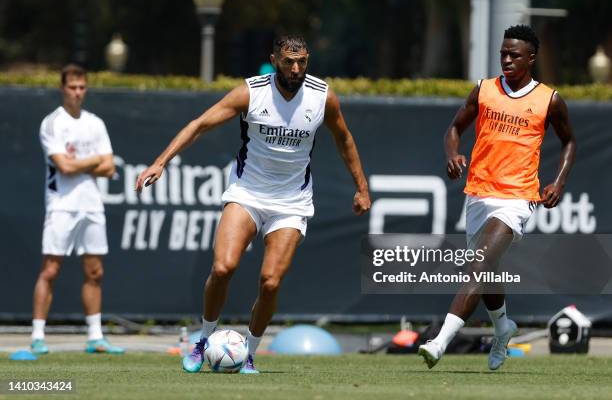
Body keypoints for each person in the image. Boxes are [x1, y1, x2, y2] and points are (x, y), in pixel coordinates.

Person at [136, 35, 371, 373]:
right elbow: (200, 124)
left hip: (292, 202)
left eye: (302, 61)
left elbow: (344, 138)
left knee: (271, 281)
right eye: (289, 61)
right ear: (274, 59)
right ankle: (202, 341)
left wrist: (361, 188)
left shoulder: (322, 97)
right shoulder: (252, 92)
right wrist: (160, 161)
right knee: (223, 267)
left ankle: (249, 355)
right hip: (247, 193)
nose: (295, 68)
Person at [418, 25, 576, 370]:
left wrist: (558, 182)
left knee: (478, 264)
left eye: (514, 54)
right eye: (503, 53)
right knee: (487, 270)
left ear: (531, 58)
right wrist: (452, 154)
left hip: (518, 197)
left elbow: (569, 142)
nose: (506, 59)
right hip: (478, 193)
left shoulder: (549, 99)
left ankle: (441, 342)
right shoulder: (484, 90)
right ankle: (503, 327)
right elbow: (455, 128)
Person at [32, 64, 124, 355]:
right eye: (72, 87)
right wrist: (94, 160)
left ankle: (95, 337)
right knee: (50, 269)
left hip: (91, 205)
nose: (78, 92)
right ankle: (37, 336)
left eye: (82, 87)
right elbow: (65, 166)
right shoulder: (52, 123)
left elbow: (110, 168)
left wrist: (86, 164)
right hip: (61, 206)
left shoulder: (95, 123)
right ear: (63, 89)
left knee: (95, 271)